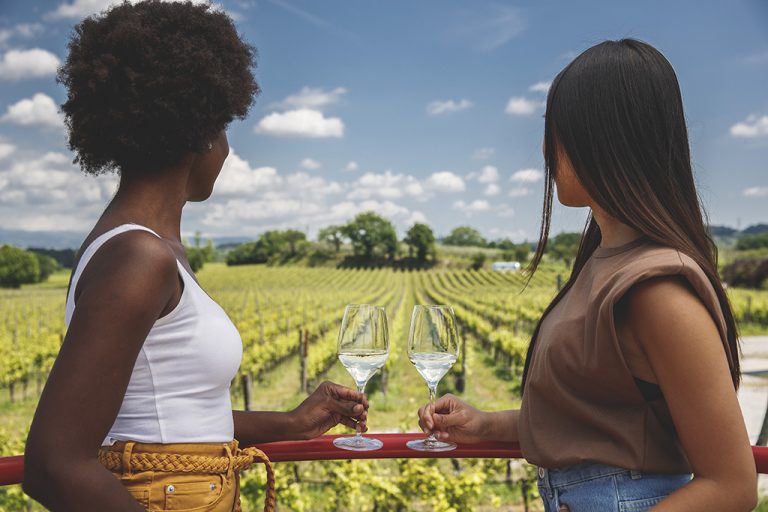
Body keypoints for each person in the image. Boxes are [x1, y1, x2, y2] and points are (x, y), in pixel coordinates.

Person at [22, 2, 368, 510]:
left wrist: (293, 423)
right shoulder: (139, 257)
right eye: (225, 126)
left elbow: (169, 422)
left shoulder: (145, 249)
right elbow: (53, 466)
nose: (227, 149)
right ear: (201, 130)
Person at [417, 39, 757, 511]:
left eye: (556, 130)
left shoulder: (657, 289)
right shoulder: (604, 264)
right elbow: (593, 426)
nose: (544, 148)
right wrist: (486, 424)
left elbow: (732, 486)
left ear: (606, 137)